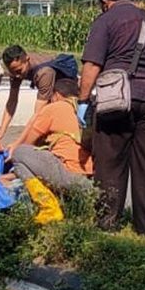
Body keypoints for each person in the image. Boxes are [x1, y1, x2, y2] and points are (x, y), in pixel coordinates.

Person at [77, 0, 145, 235]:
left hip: (116, 99)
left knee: (110, 162)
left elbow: (92, 65)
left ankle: (107, 224)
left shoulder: (105, 20)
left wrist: (83, 102)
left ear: (105, 1)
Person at [9, 79, 94, 224]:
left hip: (68, 176)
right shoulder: (84, 110)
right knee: (25, 164)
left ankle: (49, 207)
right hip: (89, 181)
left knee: (20, 153)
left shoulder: (55, 107)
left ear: (56, 95)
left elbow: (28, 142)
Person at [1, 45, 78, 150]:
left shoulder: (44, 73)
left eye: (19, 71)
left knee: (43, 139)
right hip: (51, 94)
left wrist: (17, 143)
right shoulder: (16, 71)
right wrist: (1, 132)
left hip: (65, 99)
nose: (17, 76)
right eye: (12, 72)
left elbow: (38, 114)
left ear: (27, 59)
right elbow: (12, 101)